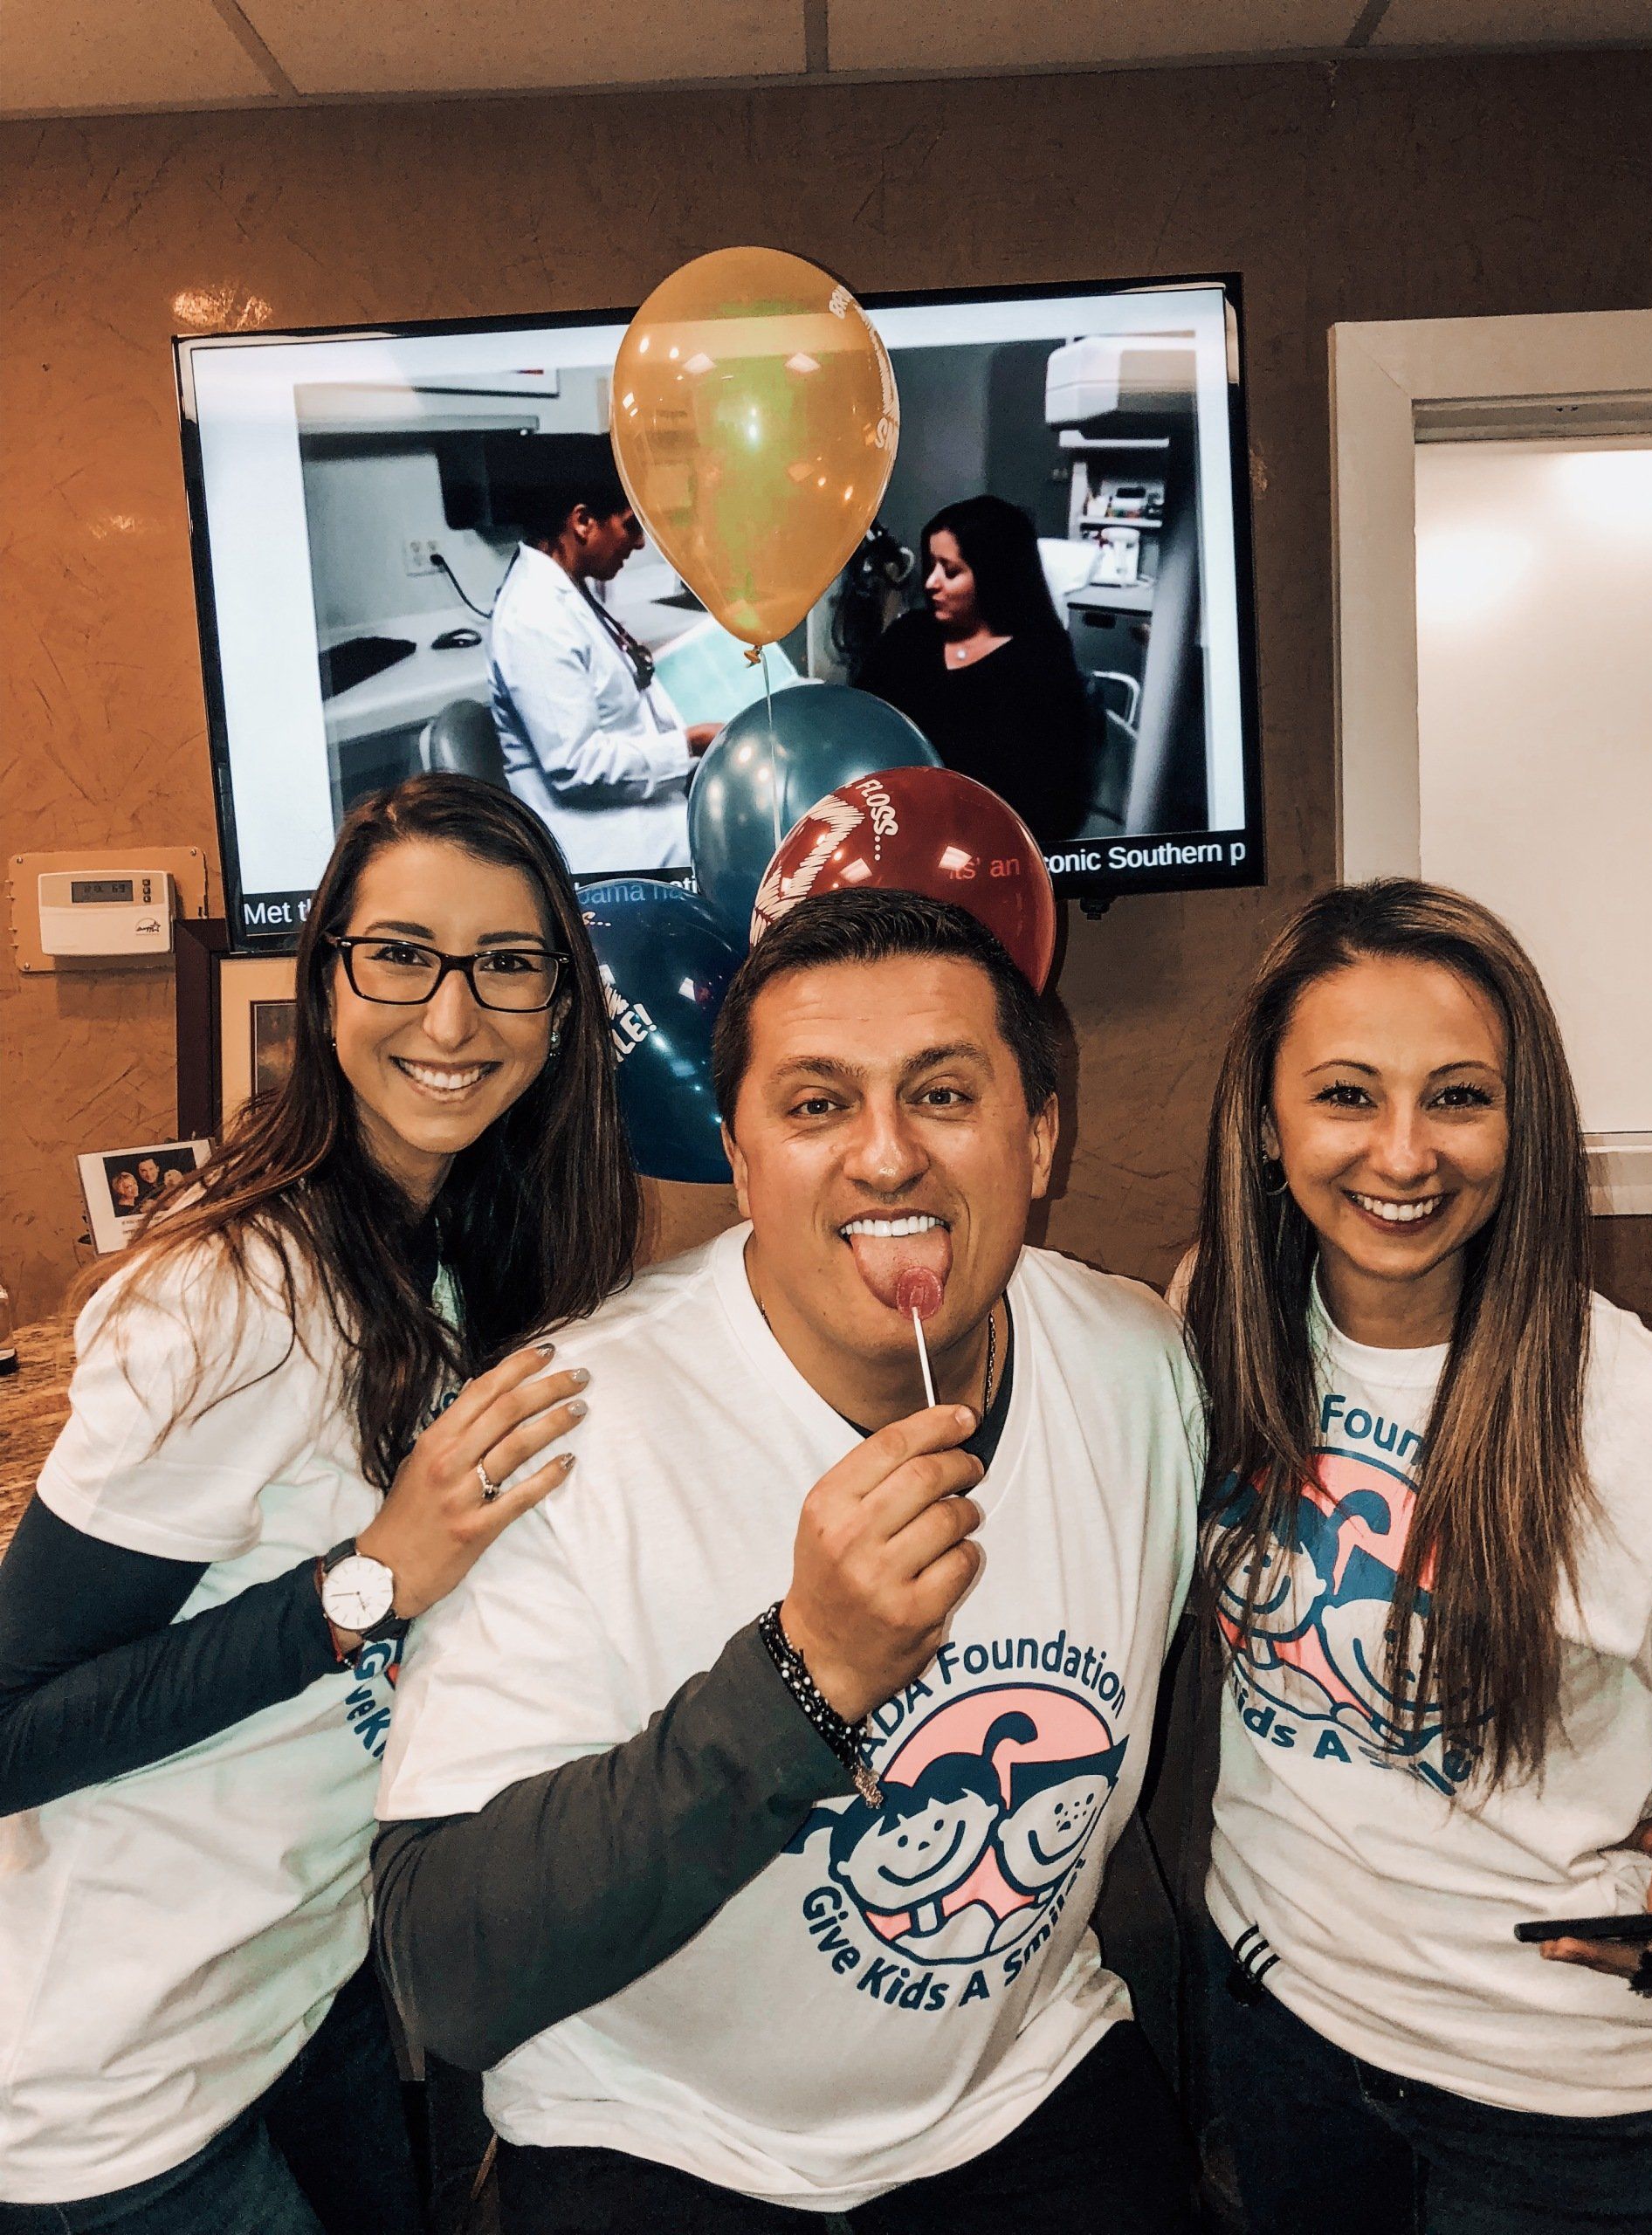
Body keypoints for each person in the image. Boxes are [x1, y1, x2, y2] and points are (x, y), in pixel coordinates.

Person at [374, 888, 1201, 2232]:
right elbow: (448, 1970)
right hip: (659, 2137)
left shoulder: (1137, 1369)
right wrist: (803, 1677)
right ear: (741, 1160)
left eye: (943, 1093)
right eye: (817, 1106)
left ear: (1039, 1135)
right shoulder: (568, 1430)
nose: (886, 1158)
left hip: (1022, 2086)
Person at [0, 774, 639, 2233]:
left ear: (560, 1006)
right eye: (401, 954)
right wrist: (369, 1581)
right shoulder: (234, 1295)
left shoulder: (452, 1252)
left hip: (293, 1995)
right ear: (326, 978)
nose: (453, 1017)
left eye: (507, 965)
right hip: (110, 2091)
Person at [1180, 878, 1652, 2235]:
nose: (1404, 1154)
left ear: (1523, 1126)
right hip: (1283, 2030)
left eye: (1458, 1096)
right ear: (1268, 1121)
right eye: (1347, 1093)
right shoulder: (1208, 1329)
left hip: (1562, 2113)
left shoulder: (1635, 1411)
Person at [487, 432, 720, 874]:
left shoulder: (571, 589)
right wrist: (689, 744)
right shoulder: (534, 616)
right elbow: (577, 767)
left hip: (644, 809)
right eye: (631, 525)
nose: (639, 544)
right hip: (602, 845)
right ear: (582, 522)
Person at [857, 495, 1094, 848]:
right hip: (891, 826)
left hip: (986, 846)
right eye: (931, 565)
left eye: (950, 571)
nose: (931, 583)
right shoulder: (909, 636)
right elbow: (863, 719)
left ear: (992, 576)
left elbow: (1051, 798)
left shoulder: (1040, 661)